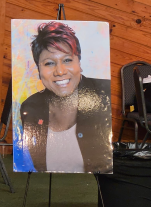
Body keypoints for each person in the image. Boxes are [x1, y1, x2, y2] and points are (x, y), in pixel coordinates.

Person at [20, 21, 112, 173]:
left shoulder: (103, 94)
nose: (60, 71)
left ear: (79, 62)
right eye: (49, 63)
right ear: (38, 69)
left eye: (67, 60)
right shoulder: (30, 107)